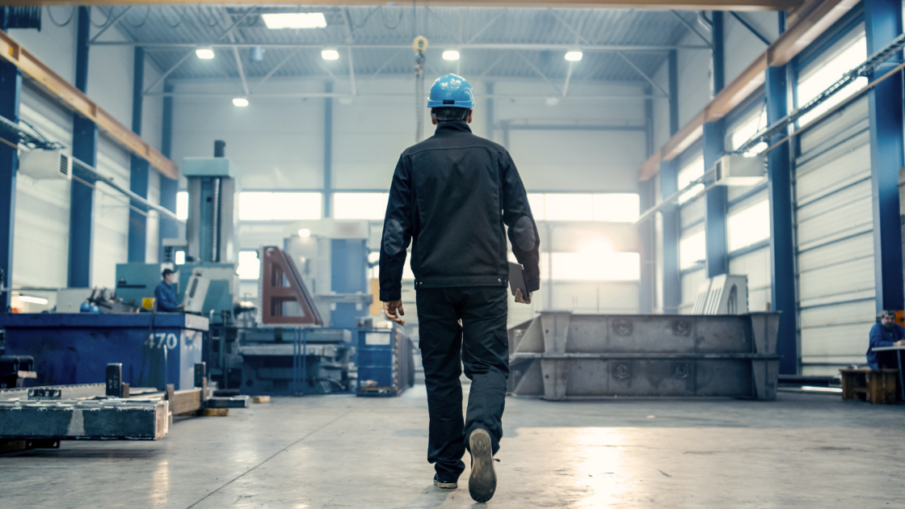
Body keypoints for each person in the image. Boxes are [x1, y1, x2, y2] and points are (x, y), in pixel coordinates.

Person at [379, 74, 540, 503]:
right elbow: (521, 223)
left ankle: (448, 470)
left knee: (441, 374)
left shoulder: (412, 159)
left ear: (433, 114)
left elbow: (397, 228)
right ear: (470, 114)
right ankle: (482, 428)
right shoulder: (496, 155)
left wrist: (390, 288)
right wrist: (530, 275)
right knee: (488, 366)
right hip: (487, 281)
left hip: (432, 283)